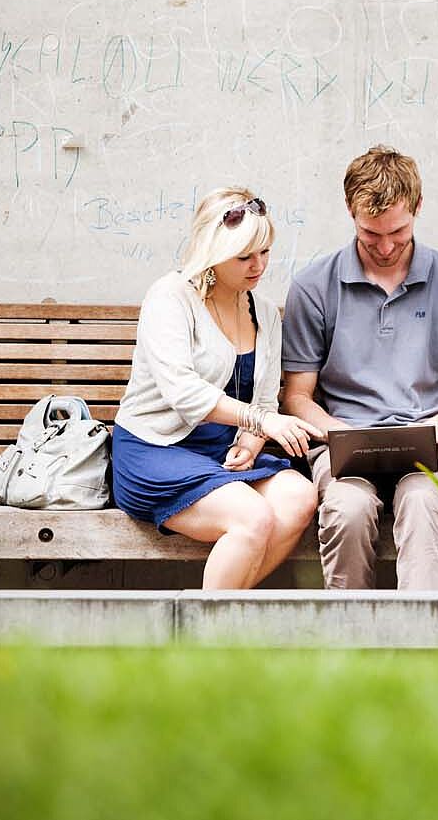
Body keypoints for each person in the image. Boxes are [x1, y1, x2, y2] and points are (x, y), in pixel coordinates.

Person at [280, 146, 438, 590]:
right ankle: (352, 649)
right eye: (370, 234)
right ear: (350, 212)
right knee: (347, 511)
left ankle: (422, 650)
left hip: (431, 439)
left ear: (418, 207)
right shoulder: (313, 286)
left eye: (399, 231)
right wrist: (336, 433)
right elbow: (296, 395)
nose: (386, 246)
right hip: (344, 439)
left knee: (426, 504)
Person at [111, 187, 320, 590]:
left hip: (218, 455)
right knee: (252, 516)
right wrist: (261, 421)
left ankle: (214, 623)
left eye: (264, 251)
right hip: (156, 451)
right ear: (211, 252)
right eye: (244, 256)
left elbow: (263, 397)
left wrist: (251, 440)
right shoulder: (171, 297)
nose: (258, 265)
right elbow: (182, 391)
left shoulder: (264, 314)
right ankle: (210, 640)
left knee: (298, 497)